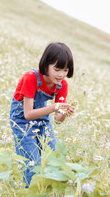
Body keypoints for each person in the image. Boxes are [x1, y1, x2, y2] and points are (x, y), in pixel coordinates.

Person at [9, 42, 75, 187]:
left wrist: (64, 112)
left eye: (65, 70)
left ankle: (51, 189)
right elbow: (27, 114)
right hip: (22, 121)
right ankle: (30, 190)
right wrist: (53, 107)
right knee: (33, 161)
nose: (61, 75)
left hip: (43, 120)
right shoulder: (31, 78)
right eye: (57, 69)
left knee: (54, 156)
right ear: (46, 65)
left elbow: (57, 121)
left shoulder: (62, 85)